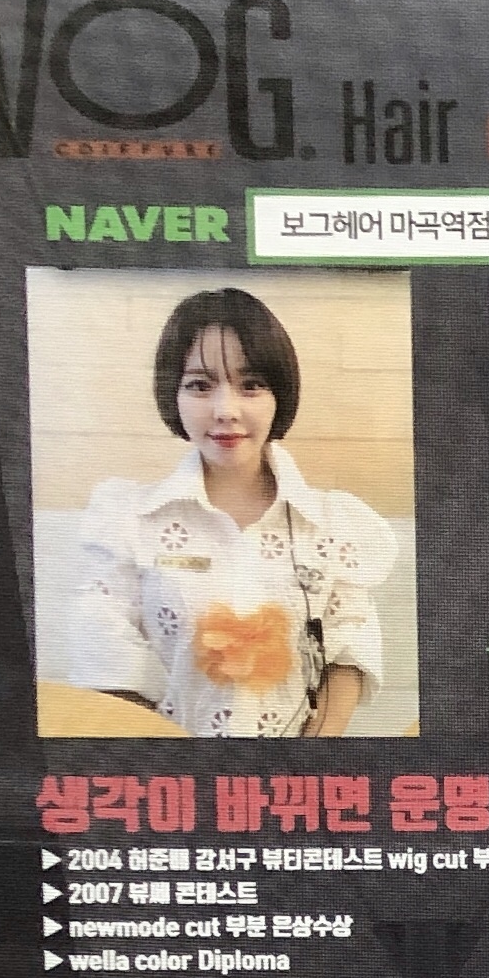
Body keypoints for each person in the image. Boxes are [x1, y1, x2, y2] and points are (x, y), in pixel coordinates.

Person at [60, 286, 397, 738]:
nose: (225, 411)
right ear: (173, 395)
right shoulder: (129, 520)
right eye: (200, 385)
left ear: (279, 394)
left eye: (251, 385)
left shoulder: (333, 524)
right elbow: (105, 650)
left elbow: (350, 641)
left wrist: (317, 746)